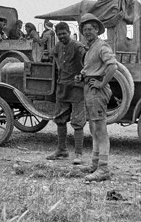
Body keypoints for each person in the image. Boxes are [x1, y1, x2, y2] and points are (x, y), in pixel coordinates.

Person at [78, 13, 118, 182]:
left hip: (97, 92)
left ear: (97, 30)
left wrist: (101, 84)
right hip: (89, 89)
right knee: (94, 129)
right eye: (85, 29)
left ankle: (103, 169)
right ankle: (95, 164)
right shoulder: (90, 47)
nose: (87, 32)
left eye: (90, 29)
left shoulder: (102, 46)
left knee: (100, 130)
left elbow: (113, 66)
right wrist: (83, 75)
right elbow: (94, 67)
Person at [46, 22, 86, 164]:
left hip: (77, 89)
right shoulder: (57, 47)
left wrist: (82, 74)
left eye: (64, 33)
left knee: (77, 121)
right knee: (59, 119)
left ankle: (78, 154)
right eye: (59, 34)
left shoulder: (78, 47)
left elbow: (88, 61)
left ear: (69, 32)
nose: (62, 36)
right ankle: (61, 150)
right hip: (62, 88)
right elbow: (53, 57)